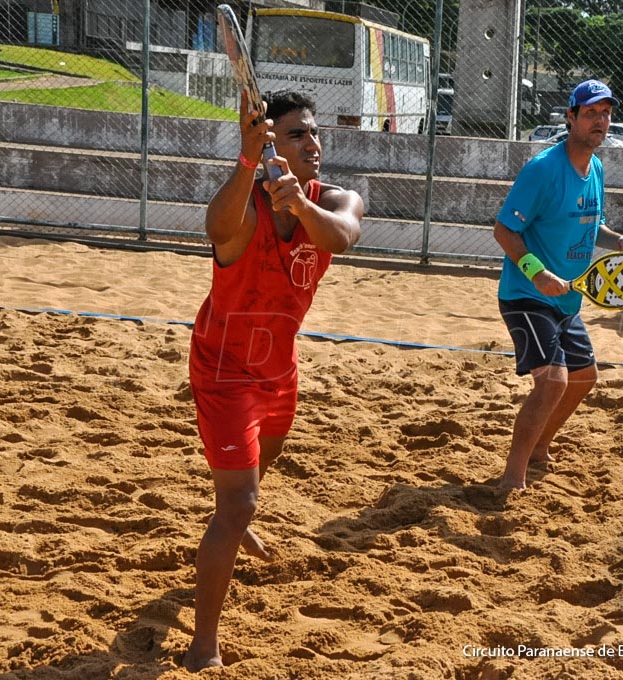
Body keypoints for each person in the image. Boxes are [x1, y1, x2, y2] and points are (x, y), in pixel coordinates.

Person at [183, 89, 363, 672]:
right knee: (239, 501)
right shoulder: (248, 204)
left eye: (314, 133)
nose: (313, 143)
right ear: (267, 145)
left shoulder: (335, 198)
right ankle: (203, 644)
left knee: (260, 469)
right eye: (296, 135)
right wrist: (243, 161)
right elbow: (215, 228)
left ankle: (234, 526)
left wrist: (301, 206)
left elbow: (340, 235)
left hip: (278, 368)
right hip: (224, 369)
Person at [493, 79, 623, 490]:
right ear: (570, 117)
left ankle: (540, 448)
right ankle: (512, 476)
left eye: (606, 113)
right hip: (528, 295)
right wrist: (538, 272)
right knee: (553, 380)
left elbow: (588, 221)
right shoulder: (543, 169)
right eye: (590, 113)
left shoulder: (595, 167)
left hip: (569, 296)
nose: (600, 121)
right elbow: (504, 230)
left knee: (584, 378)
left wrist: (619, 241)